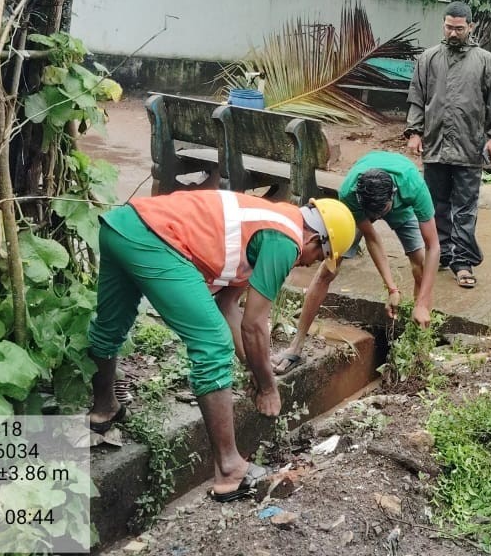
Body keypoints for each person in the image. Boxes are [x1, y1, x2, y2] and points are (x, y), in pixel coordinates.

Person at [86, 190, 356, 501]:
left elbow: (229, 307)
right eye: (320, 257)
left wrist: (253, 370)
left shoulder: (264, 228)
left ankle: (104, 409)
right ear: (314, 241)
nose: (310, 265)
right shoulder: (285, 240)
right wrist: (268, 387)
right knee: (212, 345)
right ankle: (229, 469)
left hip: (121, 226)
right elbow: (254, 325)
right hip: (155, 237)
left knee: (110, 326)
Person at [271, 151, 440, 375]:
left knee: (419, 267)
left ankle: (420, 347)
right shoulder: (351, 192)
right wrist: (392, 288)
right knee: (328, 270)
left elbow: (434, 246)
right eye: (372, 215)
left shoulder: (413, 186)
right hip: (358, 208)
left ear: (393, 195)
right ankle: (295, 346)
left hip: (401, 207)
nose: (376, 220)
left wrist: (421, 302)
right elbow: (372, 238)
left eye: (380, 213)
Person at [405, 1, 491, 289]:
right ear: (443, 25)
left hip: (469, 148)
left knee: (465, 208)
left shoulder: (485, 61)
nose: (453, 33)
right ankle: (441, 254)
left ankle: (462, 262)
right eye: (449, 27)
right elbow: (417, 99)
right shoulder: (429, 58)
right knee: (435, 206)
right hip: (435, 146)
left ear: (471, 27)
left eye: (459, 28)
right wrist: (415, 133)